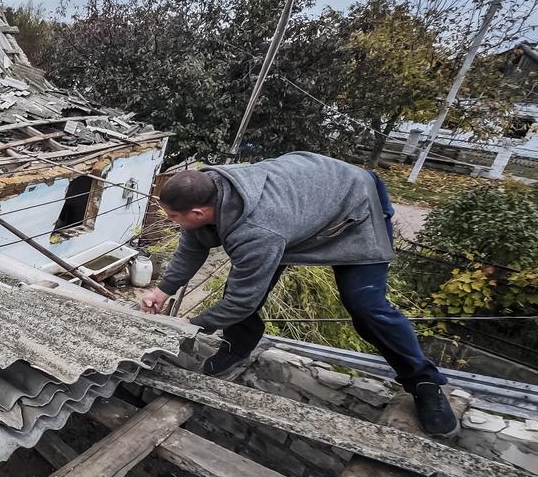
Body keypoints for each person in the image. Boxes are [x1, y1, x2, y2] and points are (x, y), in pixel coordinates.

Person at [140, 151, 457, 438]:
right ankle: (238, 346)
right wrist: (163, 290)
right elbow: (191, 248)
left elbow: (242, 301)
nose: (172, 224)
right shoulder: (209, 189)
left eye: (173, 218)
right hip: (301, 212)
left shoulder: (257, 231)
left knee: (366, 307)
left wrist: (193, 322)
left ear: (198, 212)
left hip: (354, 209)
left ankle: (423, 382)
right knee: (243, 285)